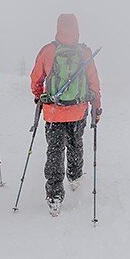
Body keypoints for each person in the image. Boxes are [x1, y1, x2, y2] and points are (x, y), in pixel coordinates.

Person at [30, 14, 102, 216]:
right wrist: (97, 107)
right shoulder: (84, 52)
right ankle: (75, 176)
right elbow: (94, 82)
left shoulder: (48, 51)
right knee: (75, 143)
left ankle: (54, 195)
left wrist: (39, 97)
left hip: (53, 112)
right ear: (77, 28)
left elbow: (36, 78)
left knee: (54, 150)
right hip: (78, 110)